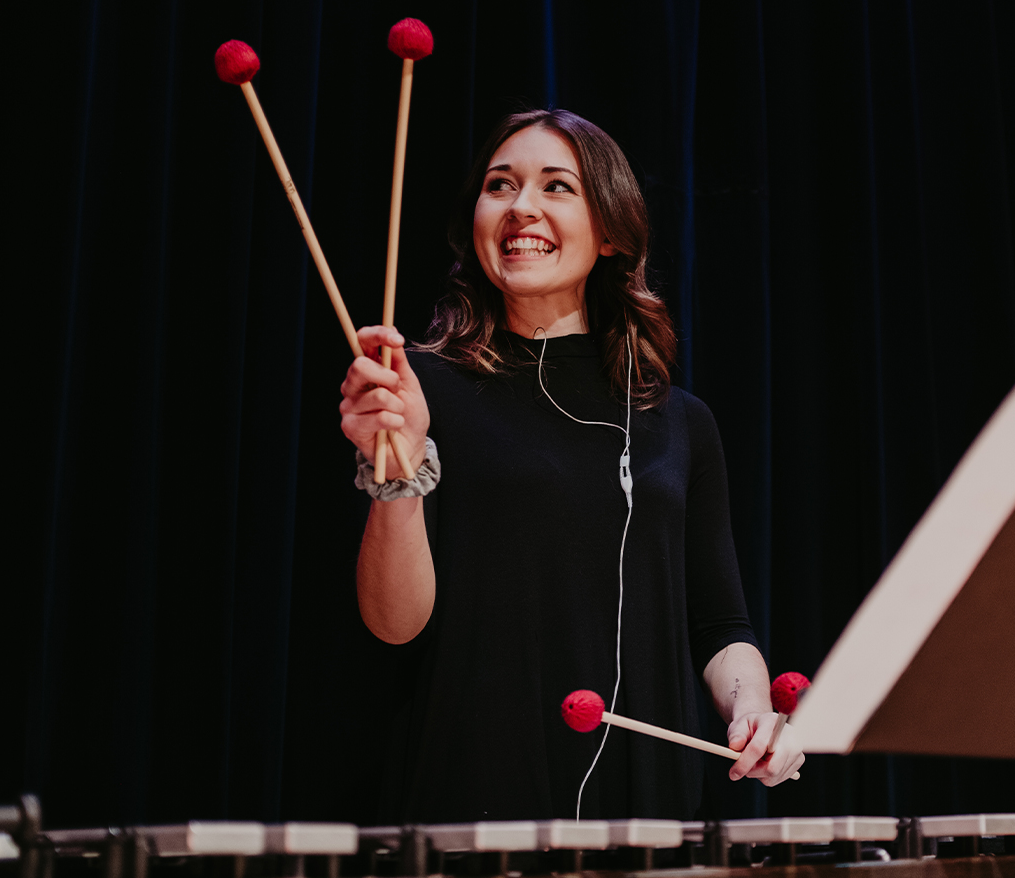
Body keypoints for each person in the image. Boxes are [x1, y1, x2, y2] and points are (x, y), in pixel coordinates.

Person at [338, 109, 805, 822]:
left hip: (649, 806)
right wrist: (397, 472)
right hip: (473, 794)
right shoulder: (415, 391)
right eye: (500, 185)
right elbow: (395, 624)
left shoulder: (681, 420)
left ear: (612, 231)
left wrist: (752, 710)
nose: (521, 205)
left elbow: (719, 625)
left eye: (557, 186)